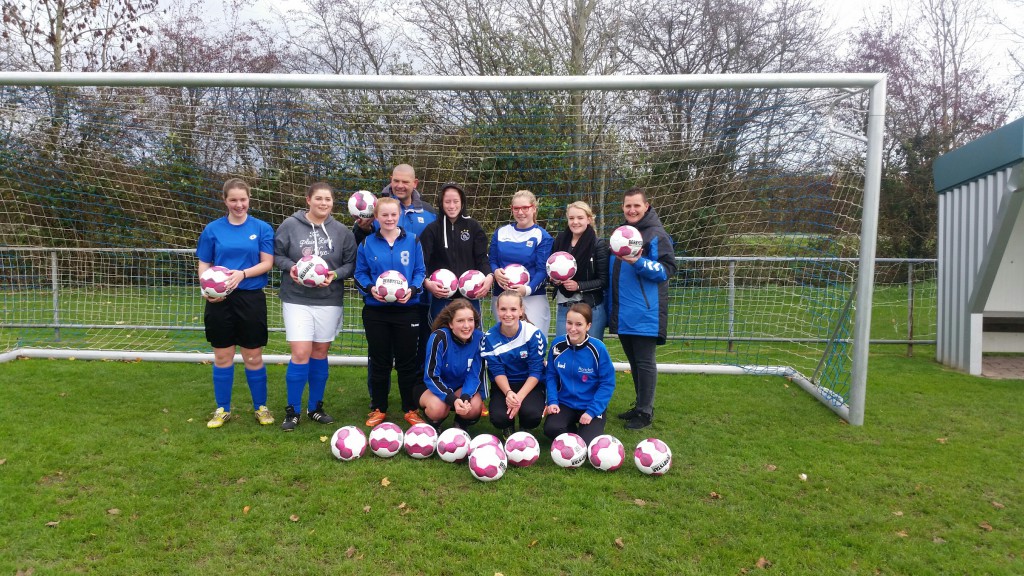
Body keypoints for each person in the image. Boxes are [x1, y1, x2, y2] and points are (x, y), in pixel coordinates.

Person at [273, 182, 357, 431]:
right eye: (318, 198)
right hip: (296, 298)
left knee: (320, 353)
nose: (323, 203)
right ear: (308, 199)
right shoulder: (290, 225)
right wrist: (293, 268)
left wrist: (334, 274)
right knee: (300, 353)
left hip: (329, 300)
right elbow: (276, 255)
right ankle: (292, 411)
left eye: (328, 199)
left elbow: (350, 264)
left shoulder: (342, 232)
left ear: (333, 202)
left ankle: (315, 408)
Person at [195, 178, 275, 429]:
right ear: (225, 200)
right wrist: (205, 288)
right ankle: (222, 409)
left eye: (243, 199)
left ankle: (261, 407)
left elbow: (267, 263)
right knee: (222, 355)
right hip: (219, 301)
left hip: (250, 298)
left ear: (249, 199)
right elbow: (204, 264)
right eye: (233, 200)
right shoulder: (212, 229)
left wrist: (242, 274)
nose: (239, 204)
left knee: (253, 356)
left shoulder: (262, 228)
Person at [353, 164, 438, 384]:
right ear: (391, 180)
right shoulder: (374, 208)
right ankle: (377, 401)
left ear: (415, 184)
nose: (400, 186)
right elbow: (361, 250)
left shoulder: (428, 213)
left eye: (405, 182)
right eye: (396, 181)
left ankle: (413, 399)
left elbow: (431, 252)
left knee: (413, 353)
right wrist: (361, 229)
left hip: (417, 295)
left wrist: (419, 285)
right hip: (379, 299)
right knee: (380, 354)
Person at [353, 197, 427, 428]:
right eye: (384, 215)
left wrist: (413, 289)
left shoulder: (413, 241)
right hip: (377, 312)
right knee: (380, 361)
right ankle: (379, 408)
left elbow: (420, 271)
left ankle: (410, 408)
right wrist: (371, 288)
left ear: (399, 216)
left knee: (407, 362)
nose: (389, 219)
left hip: (407, 310)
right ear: (376, 217)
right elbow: (360, 273)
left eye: (393, 215)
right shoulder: (367, 244)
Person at [607, 187, 677, 430]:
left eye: (637, 205)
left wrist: (640, 262)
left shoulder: (656, 235)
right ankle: (639, 406)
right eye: (628, 205)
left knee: (645, 362)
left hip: (646, 312)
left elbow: (667, 270)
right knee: (634, 362)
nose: (632, 209)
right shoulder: (623, 234)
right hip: (624, 311)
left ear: (647, 206)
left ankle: (645, 412)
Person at [543, 303, 616, 446]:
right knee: (551, 429)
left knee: (587, 443)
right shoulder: (557, 345)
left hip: (591, 404)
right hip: (565, 403)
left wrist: (592, 411)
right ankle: (573, 432)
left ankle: (587, 431)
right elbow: (551, 375)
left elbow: (607, 383)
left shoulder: (598, 348)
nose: (573, 328)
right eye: (569, 323)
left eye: (579, 324)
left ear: (588, 326)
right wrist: (552, 401)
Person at [420, 182, 493, 321]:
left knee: (470, 334)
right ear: (441, 203)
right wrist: (427, 282)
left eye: (456, 201)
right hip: (441, 296)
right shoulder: (432, 229)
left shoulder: (473, 227)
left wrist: (489, 276)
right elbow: (422, 261)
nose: (452, 206)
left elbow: (482, 258)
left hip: (469, 295)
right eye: (447, 202)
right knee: (441, 335)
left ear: (462, 202)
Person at [480, 290, 546, 440]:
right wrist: (509, 393)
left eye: (513, 309)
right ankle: (507, 425)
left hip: (529, 383)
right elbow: (497, 371)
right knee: (498, 418)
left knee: (532, 415)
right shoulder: (489, 338)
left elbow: (536, 371)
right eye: (503, 309)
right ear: (497, 310)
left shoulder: (533, 334)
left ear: (521, 311)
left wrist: (519, 398)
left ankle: (525, 426)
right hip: (504, 385)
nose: (508, 314)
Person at [490, 189, 553, 336]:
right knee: (506, 344)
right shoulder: (501, 233)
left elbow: (542, 270)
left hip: (532, 298)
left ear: (534, 208)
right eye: (516, 208)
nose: (520, 212)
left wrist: (527, 289)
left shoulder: (542, 236)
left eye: (525, 208)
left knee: (533, 342)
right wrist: (495, 272)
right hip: (502, 296)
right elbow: (492, 261)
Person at [419, 299, 485, 430]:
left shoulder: (479, 338)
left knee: (474, 406)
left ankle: (460, 425)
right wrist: (451, 399)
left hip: (460, 387)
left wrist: (465, 397)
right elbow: (431, 376)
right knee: (438, 408)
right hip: (431, 386)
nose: (466, 325)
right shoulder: (439, 337)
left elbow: (474, 375)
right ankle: (434, 425)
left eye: (470, 320)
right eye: (460, 321)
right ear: (450, 323)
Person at [550, 200, 609, 340]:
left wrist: (579, 286)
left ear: (589, 219)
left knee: (590, 353)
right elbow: (550, 269)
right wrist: (553, 280)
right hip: (565, 307)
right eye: (571, 218)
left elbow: (603, 281)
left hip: (590, 308)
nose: (575, 222)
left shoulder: (598, 245)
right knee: (563, 350)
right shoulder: (559, 241)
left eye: (580, 218)